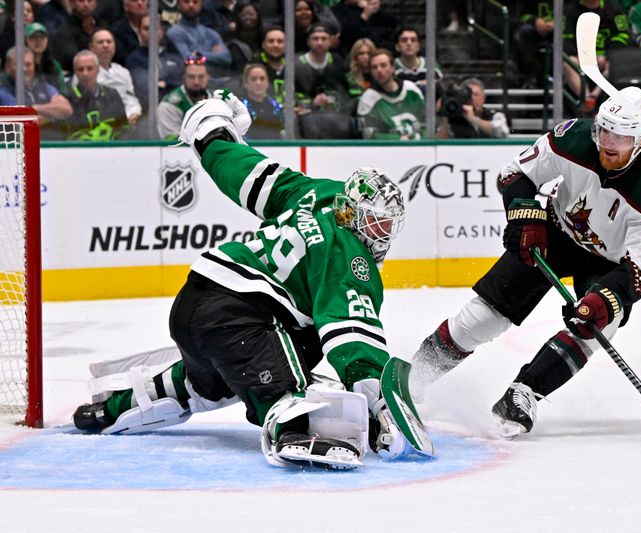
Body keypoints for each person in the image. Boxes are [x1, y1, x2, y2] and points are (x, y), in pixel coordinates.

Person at [71, 91, 415, 469]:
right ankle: (290, 424)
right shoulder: (350, 255)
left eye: (387, 225)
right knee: (290, 368)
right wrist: (377, 400)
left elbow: (247, 171)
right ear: (354, 213)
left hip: (197, 302)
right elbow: (351, 332)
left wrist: (212, 132)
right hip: (238, 313)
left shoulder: (319, 193)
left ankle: (117, 407)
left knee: (208, 383)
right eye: (375, 222)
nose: (380, 234)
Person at [409, 87, 641, 438]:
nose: (609, 143)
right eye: (605, 131)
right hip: (555, 230)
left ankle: (525, 391)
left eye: (623, 136)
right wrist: (526, 218)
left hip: (607, 263)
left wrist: (601, 301)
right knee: (482, 318)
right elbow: (514, 174)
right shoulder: (574, 138)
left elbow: (640, 269)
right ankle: (416, 376)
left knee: (599, 324)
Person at [563, 0, 630, 113]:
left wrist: (606, 55)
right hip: (580, 56)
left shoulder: (615, 9)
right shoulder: (570, 10)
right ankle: (587, 98)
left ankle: (594, 95)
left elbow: (623, 36)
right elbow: (566, 37)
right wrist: (580, 55)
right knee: (568, 62)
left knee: (615, 63)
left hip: (606, 55)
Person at [0, 46, 73, 140]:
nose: (24, 69)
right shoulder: (3, 88)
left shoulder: (43, 86)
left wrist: (34, 108)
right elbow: (22, 118)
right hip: (17, 147)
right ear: (7, 66)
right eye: (19, 65)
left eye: (28, 64)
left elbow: (66, 109)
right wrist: (51, 115)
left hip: (52, 145)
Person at [294, 23, 352, 138]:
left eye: (324, 39)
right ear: (308, 41)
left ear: (331, 41)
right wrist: (311, 103)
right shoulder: (296, 64)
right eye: (315, 39)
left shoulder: (338, 61)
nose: (319, 42)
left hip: (337, 119)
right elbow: (290, 95)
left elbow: (348, 91)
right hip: (306, 120)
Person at [357, 48, 425, 140]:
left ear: (393, 67)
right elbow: (369, 134)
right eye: (374, 67)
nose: (379, 70)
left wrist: (422, 141)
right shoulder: (368, 99)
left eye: (383, 65)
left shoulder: (411, 90)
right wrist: (397, 140)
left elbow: (428, 123)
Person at [82, 29, 143, 129]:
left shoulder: (123, 72)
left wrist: (134, 113)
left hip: (128, 122)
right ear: (91, 48)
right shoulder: (85, 73)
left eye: (109, 41)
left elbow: (130, 99)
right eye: (100, 42)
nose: (105, 45)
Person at [65, 50, 129, 141]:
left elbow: (124, 129)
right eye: (80, 69)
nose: (85, 73)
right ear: (75, 72)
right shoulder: (67, 99)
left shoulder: (112, 94)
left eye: (90, 68)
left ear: (98, 70)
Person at [156, 52, 212, 139]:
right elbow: (173, 142)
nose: (196, 82)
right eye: (191, 77)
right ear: (183, 78)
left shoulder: (218, 101)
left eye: (201, 77)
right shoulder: (169, 105)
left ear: (208, 77)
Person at [166, 0, 232, 74]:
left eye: (195, 2)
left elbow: (227, 58)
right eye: (186, 1)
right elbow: (188, 59)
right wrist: (213, 56)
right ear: (178, 5)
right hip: (187, 77)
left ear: (201, 5)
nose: (191, 5)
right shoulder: (175, 32)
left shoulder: (210, 32)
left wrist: (199, 55)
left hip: (214, 79)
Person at [438, 77, 509, 139]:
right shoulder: (453, 119)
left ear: (483, 98)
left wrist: (473, 119)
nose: (471, 98)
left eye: (476, 94)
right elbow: (439, 144)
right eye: (468, 95)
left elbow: (502, 132)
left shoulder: (494, 115)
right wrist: (444, 119)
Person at [51, 0, 100, 70]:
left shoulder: (102, 25)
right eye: (81, 1)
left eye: (89, 1)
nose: (85, 4)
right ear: (73, 3)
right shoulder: (65, 30)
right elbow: (71, 57)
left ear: (95, 3)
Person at [239, 62, 282, 139]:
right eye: (253, 79)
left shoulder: (276, 107)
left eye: (262, 79)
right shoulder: (239, 108)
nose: (258, 83)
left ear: (268, 82)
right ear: (245, 83)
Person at [24, 22, 68, 95]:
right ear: (26, 40)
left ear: (47, 40)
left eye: (42, 37)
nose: (38, 41)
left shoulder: (55, 65)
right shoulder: (22, 65)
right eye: (33, 37)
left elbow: (63, 91)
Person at [110, 0, 149, 66]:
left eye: (143, 0)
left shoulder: (155, 26)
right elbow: (122, 58)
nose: (140, 3)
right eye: (134, 0)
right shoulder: (117, 31)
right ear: (126, 6)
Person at [257, 26, 286, 103]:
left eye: (280, 41)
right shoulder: (254, 65)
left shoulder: (293, 66)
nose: (276, 45)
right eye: (271, 41)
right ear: (263, 45)